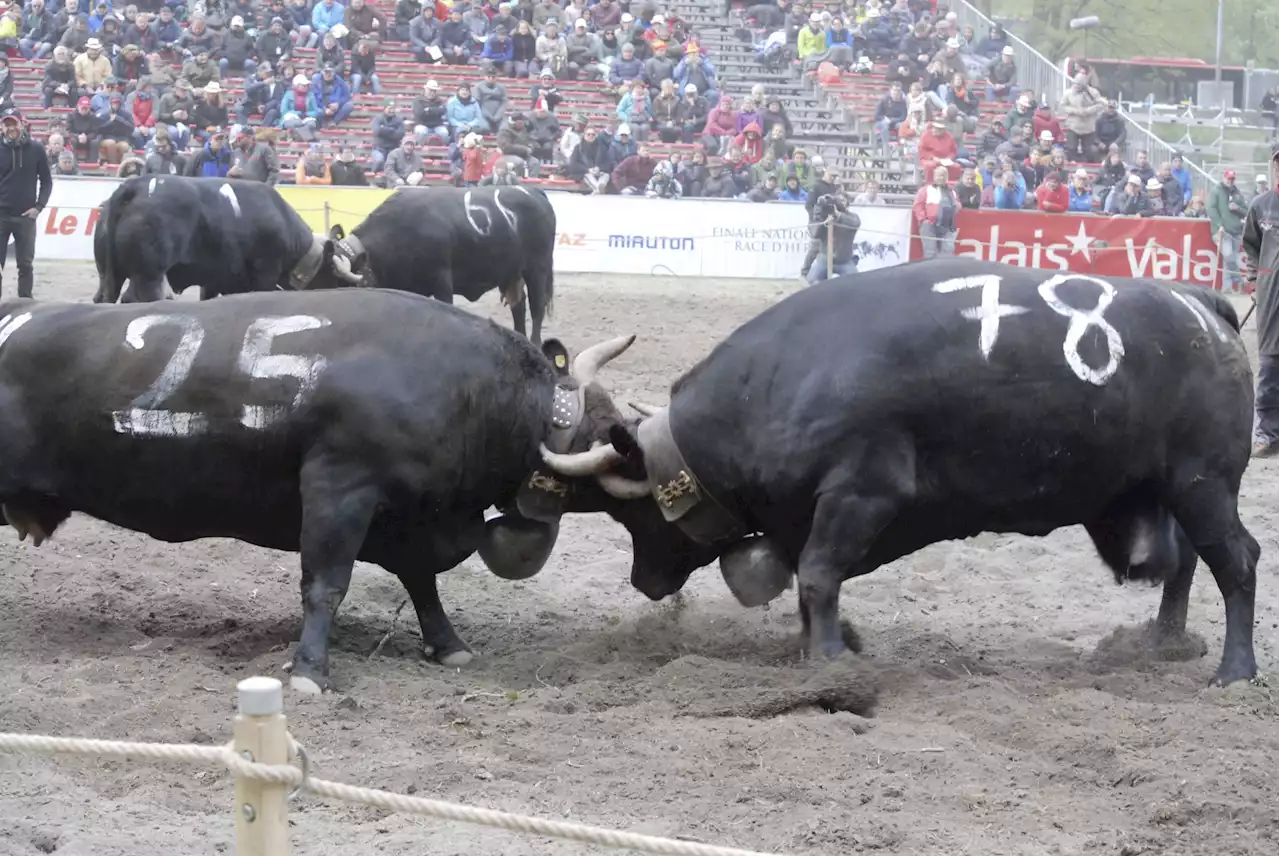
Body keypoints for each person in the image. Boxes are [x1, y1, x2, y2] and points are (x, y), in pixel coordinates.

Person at [1243, 147, 1280, 457]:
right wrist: (1255, 280)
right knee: (1269, 363)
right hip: (1271, 295)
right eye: (1279, 163)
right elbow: (1251, 245)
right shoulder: (1260, 206)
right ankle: (1267, 435)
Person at [0, 107, 52, 299]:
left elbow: (46, 181)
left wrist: (39, 207)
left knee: (25, 265)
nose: (10, 128)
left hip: (26, 217)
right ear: (1, 127)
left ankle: (24, 303)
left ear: (22, 124)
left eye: (14, 123)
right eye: (7, 124)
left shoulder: (36, 149)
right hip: (1, 215)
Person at [805, 192, 860, 285]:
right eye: (838, 201)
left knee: (855, 283)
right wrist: (823, 222)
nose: (840, 203)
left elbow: (855, 223)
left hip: (844, 260)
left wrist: (838, 216)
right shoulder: (824, 215)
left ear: (847, 203)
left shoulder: (853, 216)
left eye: (842, 201)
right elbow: (815, 234)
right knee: (811, 280)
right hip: (825, 259)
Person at [913, 165, 959, 258]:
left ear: (947, 177)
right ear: (934, 177)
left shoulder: (952, 191)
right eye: (939, 175)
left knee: (948, 251)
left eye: (944, 176)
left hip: (947, 226)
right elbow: (918, 205)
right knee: (930, 252)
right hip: (929, 225)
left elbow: (957, 205)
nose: (941, 178)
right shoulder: (925, 190)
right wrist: (923, 220)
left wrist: (957, 206)